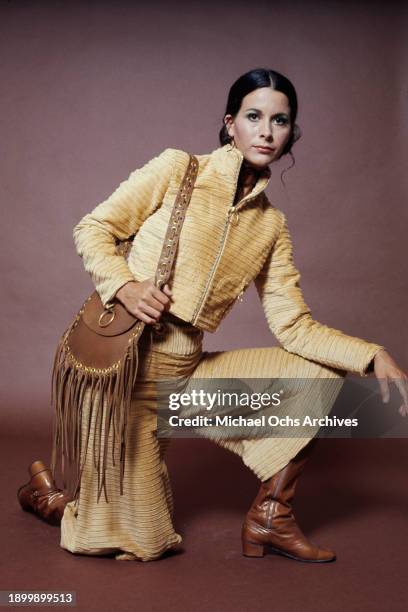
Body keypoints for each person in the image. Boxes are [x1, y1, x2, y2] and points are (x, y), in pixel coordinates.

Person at [18, 67, 408, 563]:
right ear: (230, 124)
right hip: (121, 374)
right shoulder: (178, 169)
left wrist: (371, 356)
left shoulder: (270, 226)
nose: (266, 131)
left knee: (320, 381)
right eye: (254, 116)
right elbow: (93, 228)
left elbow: (293, 326)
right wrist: (126, 285)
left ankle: (271, 519)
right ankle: (50, 496)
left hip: (182, 385)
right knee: (137, 542)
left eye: (280, 120)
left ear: (290, 133)